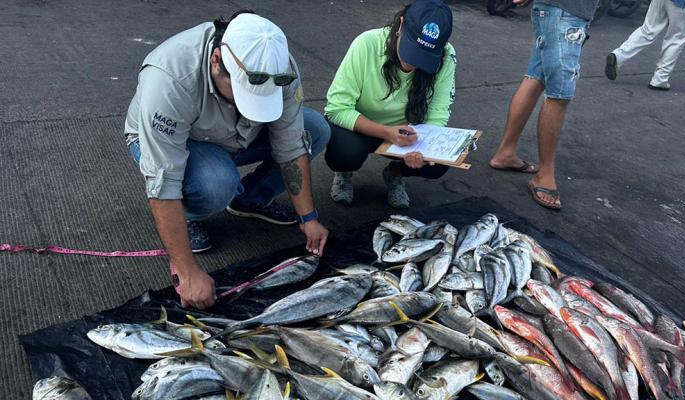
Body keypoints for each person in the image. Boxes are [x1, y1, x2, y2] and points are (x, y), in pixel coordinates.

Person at [123, 11, 331, 309]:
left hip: (236, 135)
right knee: (216, 180)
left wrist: (308, 218)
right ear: (216, 60)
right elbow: (163, 179)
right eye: (243, 92)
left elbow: (291, 144)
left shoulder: (279, 64)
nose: (251, 106)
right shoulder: (169, 80)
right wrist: (187, 270)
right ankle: (191, 215)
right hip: (176, 141)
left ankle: (249, 200)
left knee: (315, 129)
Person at [324, 0, 457, 209]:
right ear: (400, 26)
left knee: (439, 162)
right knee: (343, 154)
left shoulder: (447, 56)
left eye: (425, 56)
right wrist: (386, 132)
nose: (413, 63)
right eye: (412, 49)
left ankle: (395, 174)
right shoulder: (366, 43)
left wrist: (425, 146)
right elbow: (336, 108)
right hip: (360, 125)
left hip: (407, 133)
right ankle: (344, 173)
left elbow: (438, 114)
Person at [489, 0, 597, 210]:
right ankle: (544, 175)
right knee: (559, 94)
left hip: (558, 11)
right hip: (565, 12)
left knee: (536, 77)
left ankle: (506, 152)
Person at [605, 0, 685, 90]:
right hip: (684, 3)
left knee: (646, 31)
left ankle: (618, 56)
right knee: (675, 39)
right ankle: (660, 79)